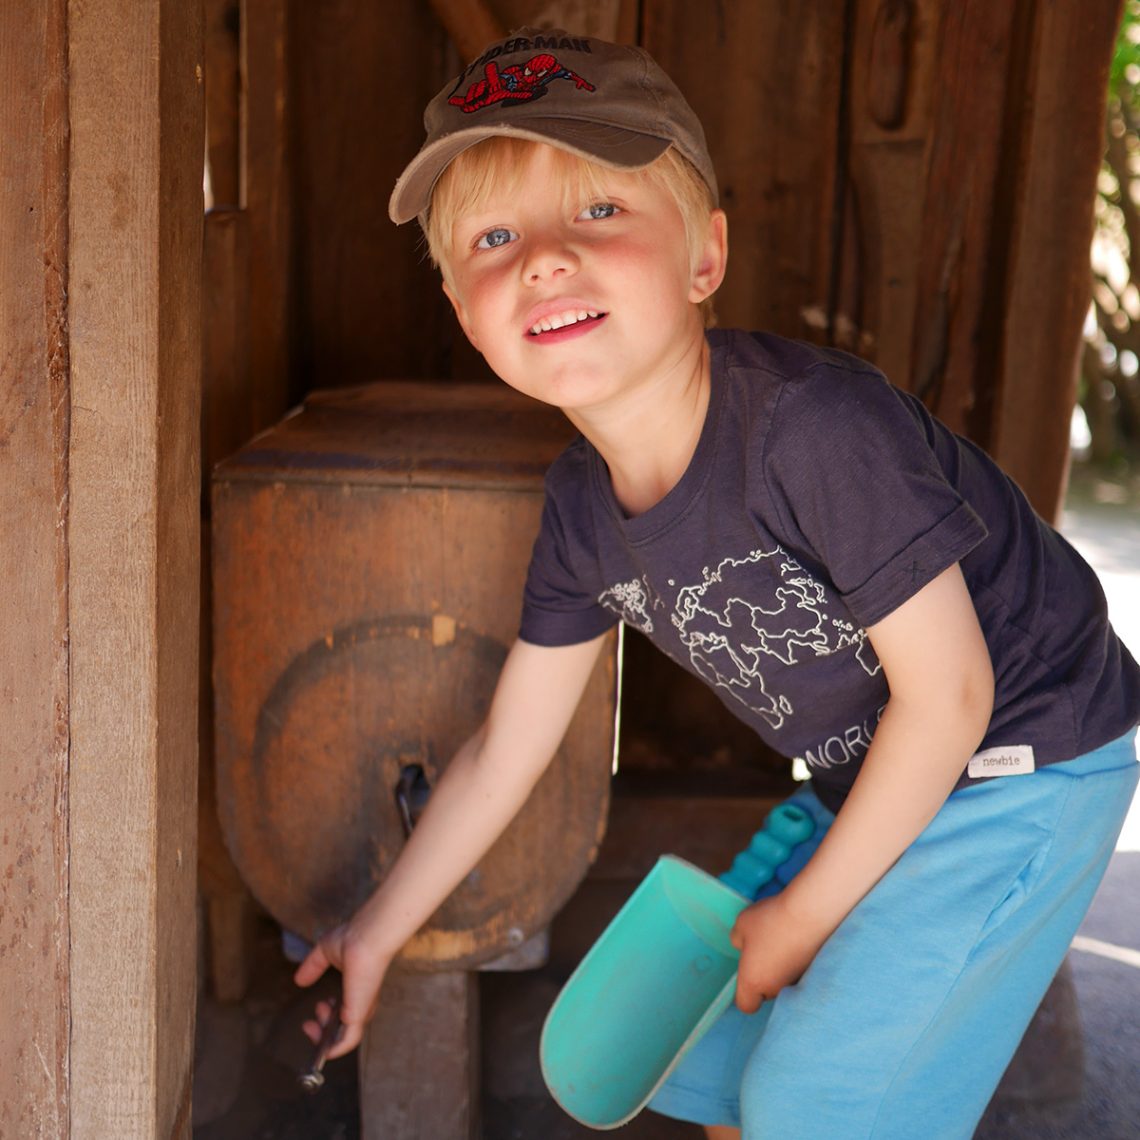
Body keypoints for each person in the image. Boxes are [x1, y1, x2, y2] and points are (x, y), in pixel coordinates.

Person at [294, 28, 1140, 1138]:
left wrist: (805, 914)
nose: (544, 257)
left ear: (705, 258)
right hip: (883, 773)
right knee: (696, 1054)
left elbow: (953, 699)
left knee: (818, 1097)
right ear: (467, 313)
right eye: (495, 237)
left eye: (599, 210)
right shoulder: (583, 513)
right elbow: (507, 750)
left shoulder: (811, 430)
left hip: (1028, 759)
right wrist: (374, 934)